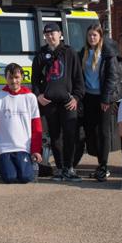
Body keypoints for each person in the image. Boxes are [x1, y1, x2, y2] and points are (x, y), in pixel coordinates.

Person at [31, 22, 84, 181]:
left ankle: (70, 168)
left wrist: (76, 97)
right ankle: (60, 168)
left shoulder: (70, 53)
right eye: (46, 34)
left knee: (70, 135)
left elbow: (78, 79)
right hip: (49, 103)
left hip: (68, 102)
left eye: (52, 33)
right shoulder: (40, 55)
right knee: (55, 136)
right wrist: (38, 95)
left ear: (60, 34)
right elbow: (35, 81)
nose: (49, 36)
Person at [77, 24, 122, 182]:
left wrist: (106, 99)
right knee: (90, 131)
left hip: (104, 98)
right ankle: (99, 162)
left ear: (100, 36)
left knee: (103, 132)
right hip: (88, 97)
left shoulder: (107, 53)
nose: (92, 38)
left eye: (95, 35)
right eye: (89, 35)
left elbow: (112, 77)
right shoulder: (83, 52)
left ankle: (103, 166)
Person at [0, 63, 42, 183]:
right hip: (5, 149)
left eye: (17, 77)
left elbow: (36, 127)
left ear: (22, 77)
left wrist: (36, 150)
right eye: (10, 77)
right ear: (5, 78)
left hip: (23, 148)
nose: (14, 81)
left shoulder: (30, 97)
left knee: (26, 178)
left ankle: (31, 165)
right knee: (9, 178)